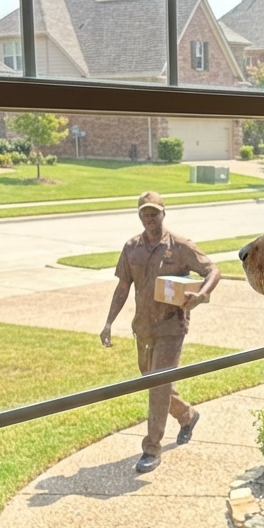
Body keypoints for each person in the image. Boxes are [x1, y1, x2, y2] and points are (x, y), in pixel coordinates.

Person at [101, 191, 221, 473]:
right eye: (145, 213)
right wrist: (108, 323)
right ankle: (187, 416)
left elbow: (213, 270)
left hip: (171, 326)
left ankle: (151, 449)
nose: (150, 218)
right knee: (153, 381)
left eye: (154, 213)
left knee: (158, 385)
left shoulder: (180, 246)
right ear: (139, 216)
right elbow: (122, 287)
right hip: (143, 327)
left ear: (163, 214)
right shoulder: (131, 247)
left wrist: (201, 295)